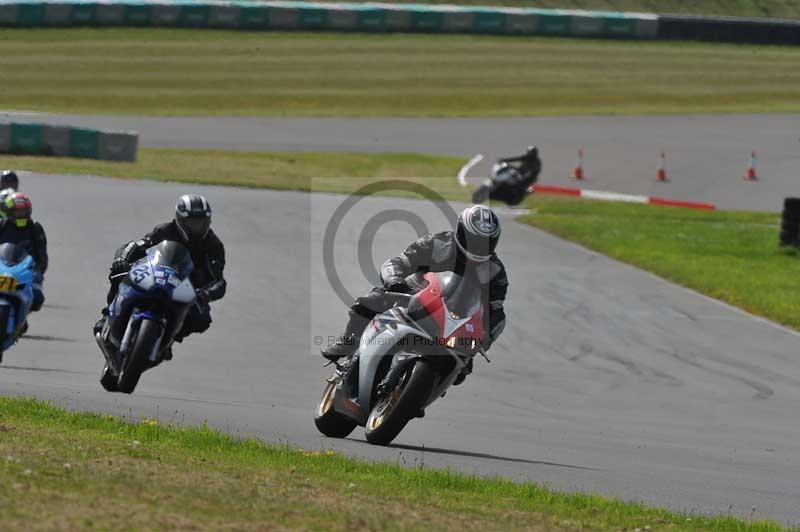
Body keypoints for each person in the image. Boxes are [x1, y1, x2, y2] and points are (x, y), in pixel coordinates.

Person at [321, 204, 508, 384]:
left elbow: (496, 311)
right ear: (461, 232)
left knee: (462, 369)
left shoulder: (496, 271)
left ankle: (424, 391)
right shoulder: (437, 243)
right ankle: (350, 340)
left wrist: (486, 338)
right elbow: (398, 261)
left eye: (487, 242)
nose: (479, 247)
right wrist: (395, 280)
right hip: (416, 296)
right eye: (475, 240)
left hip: (458, 320)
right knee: (370, 302)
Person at [94, 194, 226, 359]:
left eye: (201, 223)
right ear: (180, 220)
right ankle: (107, 314)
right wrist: (122, 259)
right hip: (156, 274)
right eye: (192, 223)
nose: (197, 228)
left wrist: (205, 294)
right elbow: (138, 246)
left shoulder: (214, 245)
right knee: (120, 274)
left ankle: (169, 339)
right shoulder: (165, 230)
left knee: (201, 318)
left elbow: (219, 280)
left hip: (185, 288)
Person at [0, 193, 47, 311]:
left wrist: (37, 273)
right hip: (2, 268)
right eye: (18, 211)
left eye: (24, 211)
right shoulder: (2, 225)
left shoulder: (35, 228)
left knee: (37, 298)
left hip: (25, 272)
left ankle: (22, 318)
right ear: (9, 211)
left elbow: (42, 256)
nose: (21, 215)